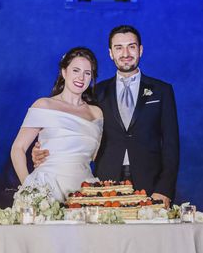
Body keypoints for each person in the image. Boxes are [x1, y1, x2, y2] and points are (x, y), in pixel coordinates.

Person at [34, 25, 179, 207]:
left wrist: (165, 188)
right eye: (118, 48)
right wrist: (46, 148)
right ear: (111, 53)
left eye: (131, 46)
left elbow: (171, 146)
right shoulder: (96, 92)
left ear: (140, 50)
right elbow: (76, 127)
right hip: (104, 183)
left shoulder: (162, 91)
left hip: (151, 183)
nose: (125, 53)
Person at [11, 47, 103, 202]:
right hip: (47, 190)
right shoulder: (44, 105)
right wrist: (29, 190)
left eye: (87, 73)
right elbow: (17, 149)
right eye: (75, 70)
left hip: (85, 192)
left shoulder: (96, 113)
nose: (81, 77)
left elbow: (94, 156)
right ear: (64, 72)